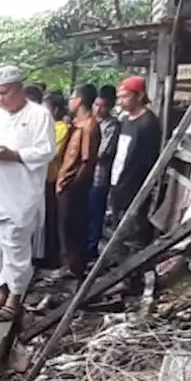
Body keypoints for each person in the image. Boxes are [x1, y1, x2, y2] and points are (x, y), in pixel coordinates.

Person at [0, 66, 57, 323]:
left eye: (4, 93)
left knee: (15, 246)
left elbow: (46, 150)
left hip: (19, 194)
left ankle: (15, 296)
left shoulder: (39, 115)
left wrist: (14, 155)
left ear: (19, 89)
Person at [108, 76, 163, 294]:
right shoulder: (126, 121)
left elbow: (148, 161)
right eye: (120, 97)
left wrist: (143, 189)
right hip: (119, 183)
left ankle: (135, 279)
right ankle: (124, 274)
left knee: (134, 234)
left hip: (135, 187)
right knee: (120, 231)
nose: (121, 101)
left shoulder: (148, 123)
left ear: (139, 96)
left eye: (125, 96)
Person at [54, 85, 100, 278]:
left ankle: (75, 267)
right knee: (65, 226)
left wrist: (75, 186)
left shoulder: (89, 125)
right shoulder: (76, 124)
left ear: (79, 100)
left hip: (74, 184)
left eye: (72, 98)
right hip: (65, 181)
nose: (69, 102)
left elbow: (87, 161)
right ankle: (68, 264)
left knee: (73, 227)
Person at [88, 84, 121, 257]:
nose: (99, 109)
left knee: (95, 215)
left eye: (103, 106)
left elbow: (103, 153)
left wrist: (85, 154)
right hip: (85, 177)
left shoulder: (112, 126)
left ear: (110, 106)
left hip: (99, 177)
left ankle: (92, 250)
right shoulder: (91, 122)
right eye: (96, 105)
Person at [41, 91, 72, 268]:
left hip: (51, 179)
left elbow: (51, 152)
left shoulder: (60, 127)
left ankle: (51, 259)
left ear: (55, 110)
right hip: (41, 179)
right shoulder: (49, 127)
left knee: (51, 220)